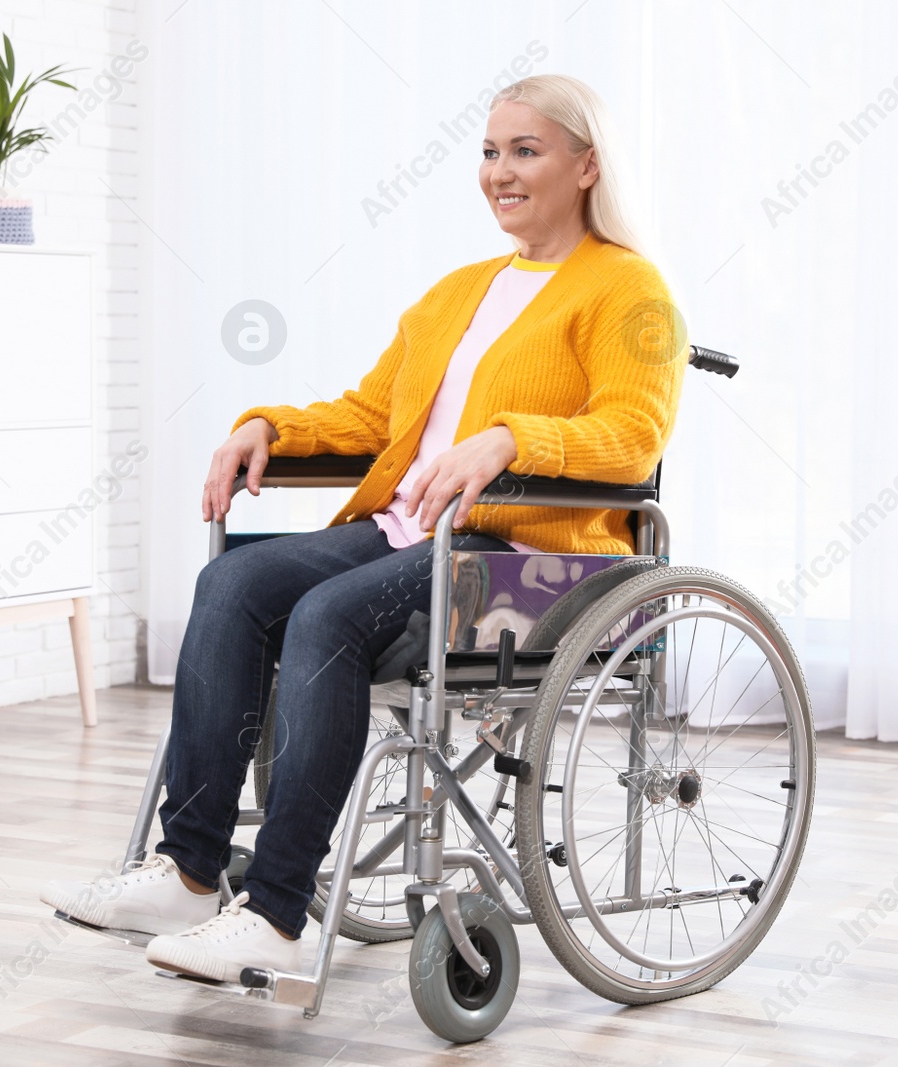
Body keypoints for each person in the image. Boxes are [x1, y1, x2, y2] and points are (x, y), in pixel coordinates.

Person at [41, 73, 687, 982]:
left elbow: (632, 436)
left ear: (586, 166)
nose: (500, 171)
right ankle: (188, 870)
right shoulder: (458, 292)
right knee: (230, 584)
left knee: (326, 617)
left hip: (532, 555)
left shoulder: (629, 289)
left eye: (525, 151)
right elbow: (373, 417)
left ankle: (271, 914)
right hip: (413, 532)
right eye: (491, 151)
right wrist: (269, 427)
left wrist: (509, 438)